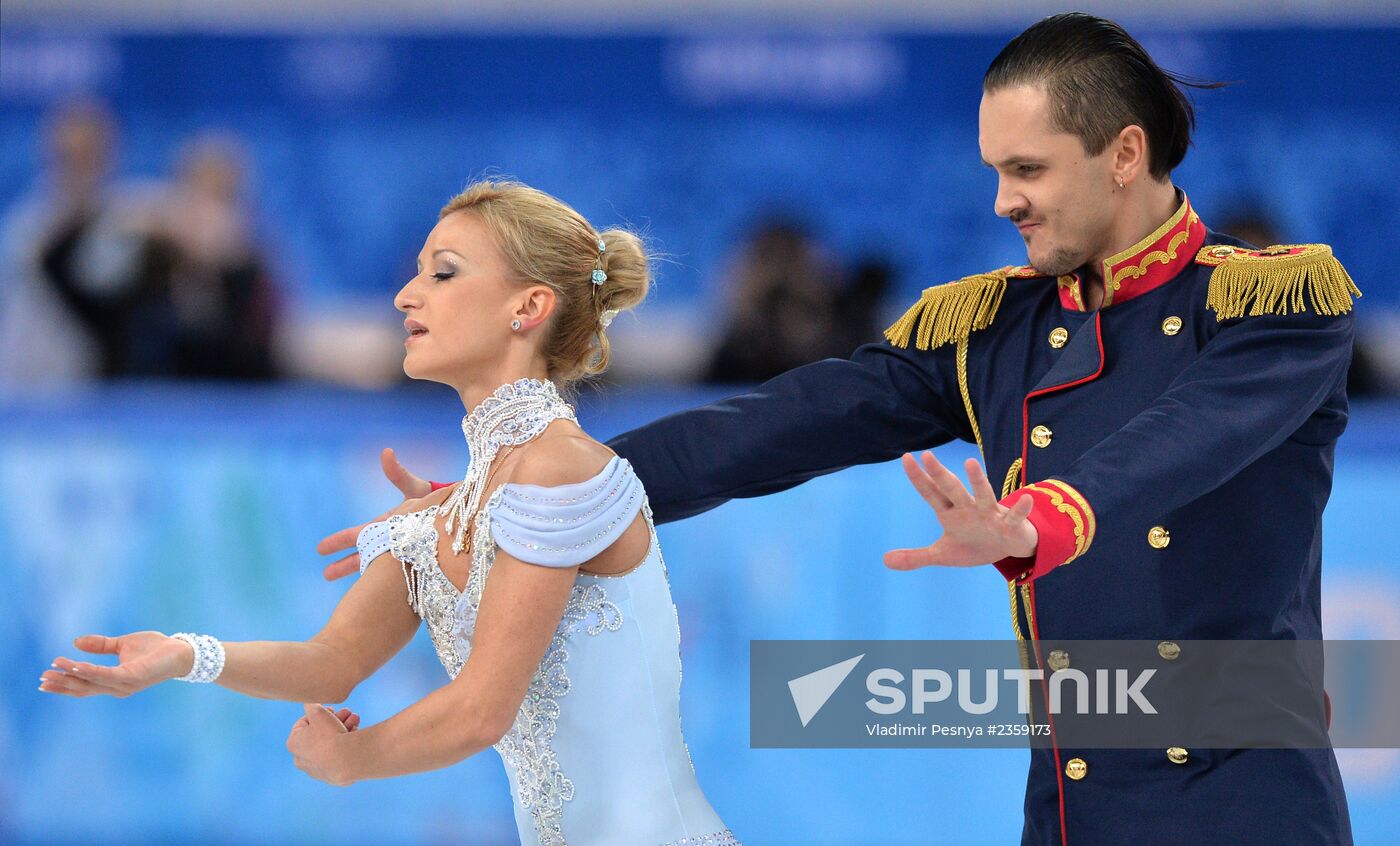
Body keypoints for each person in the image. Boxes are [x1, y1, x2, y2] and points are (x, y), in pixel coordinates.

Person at [324, 15, 1360, 846]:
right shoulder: (997, 331)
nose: (1002, 201)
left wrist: (1035, 522)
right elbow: (783, 423)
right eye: (994, 170)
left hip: (1241, 806)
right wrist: (540, 488)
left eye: (1029, 171)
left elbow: (1186, 437)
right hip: (1073, 803)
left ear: (1124, 153)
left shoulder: (1273, 309)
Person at [39, 181, 739, 846]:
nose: (407, 295)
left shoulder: (560, 470)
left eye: (444, 273)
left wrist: (354, 759)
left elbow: (479, 710)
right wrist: (186, 654)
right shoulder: (443, 516)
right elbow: (330, 662)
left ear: (527, 308)